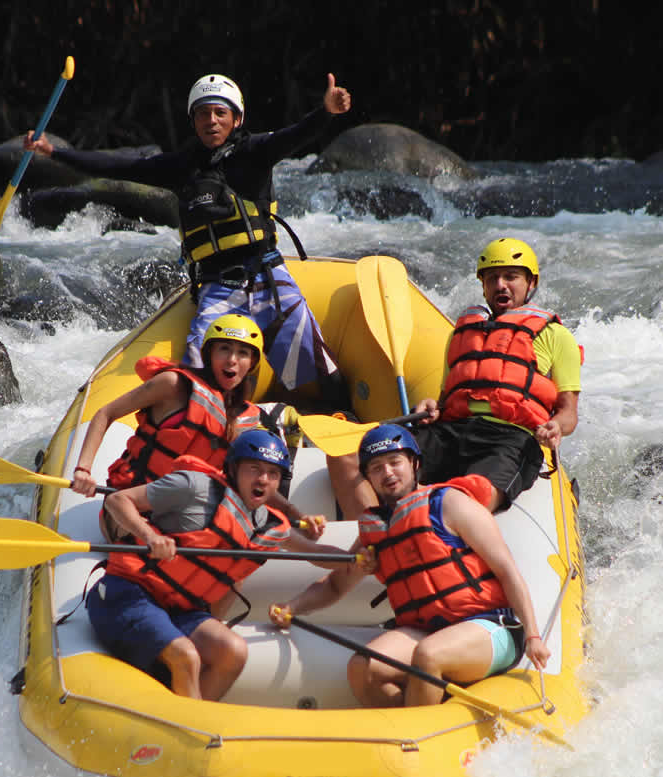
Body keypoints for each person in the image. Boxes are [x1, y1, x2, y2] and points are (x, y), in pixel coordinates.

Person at [24, 72, 352, 398]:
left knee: (315, 360)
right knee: (199, 376)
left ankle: (343, 414)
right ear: (193, 121)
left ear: (236, 119)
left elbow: (296, 135)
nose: (211, 120)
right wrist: (55, 153)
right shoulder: (181, 165)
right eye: (203, 113)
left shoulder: (257, 151)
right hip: (217, 286)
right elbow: (117, 167)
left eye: (220, 112)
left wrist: (326, 112)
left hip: (267, 274)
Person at [269, 424, 551, 708]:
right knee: (363, 668)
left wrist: (533, 635)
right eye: (377, 468)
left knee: (429, 656)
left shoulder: (450, 503)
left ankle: (417, 735)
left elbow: (507, 570)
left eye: (395, 462)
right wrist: (293, 607)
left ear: (414, 464)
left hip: (490, 626)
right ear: (368, 478)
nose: (388, 473)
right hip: (425, 630)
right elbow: (334, 585)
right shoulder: (376, 528)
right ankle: (403, 728)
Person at [328, 237, 582, 517]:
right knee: (348, 455)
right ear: (483, 286)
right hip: (449, 434)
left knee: (464, 501)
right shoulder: (462, 333)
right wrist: (431, 406)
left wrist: (556, 426)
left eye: (511, 277)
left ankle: (427, 519)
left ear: (531, 283)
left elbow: (569, 413)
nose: (501, 285)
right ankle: (377, 537)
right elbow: (445, 400)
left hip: (510, 440)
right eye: (492, 278)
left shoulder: (556, 336)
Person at [87, 429, 337, 700]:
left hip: (181, 611)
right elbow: (117, 500)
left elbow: (316, 553)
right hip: (128, 593)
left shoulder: (270, 525)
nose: (263, 479)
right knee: (187, 656)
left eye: (273, 474)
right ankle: (188, 734)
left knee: (234, 651)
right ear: (234, 468)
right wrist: (151, 536)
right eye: (254, 468)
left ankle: (190, 719)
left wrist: (363, 559)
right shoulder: (194, 486)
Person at [69, 312, 266, 497]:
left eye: (242, 353)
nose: (232, 360)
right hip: (130, 497)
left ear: (251, 363)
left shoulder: (247, 418)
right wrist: (83, 470)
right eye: (224, 349)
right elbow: (106, 413)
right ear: (210, 353)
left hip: (184, 510)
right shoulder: (173, 384)